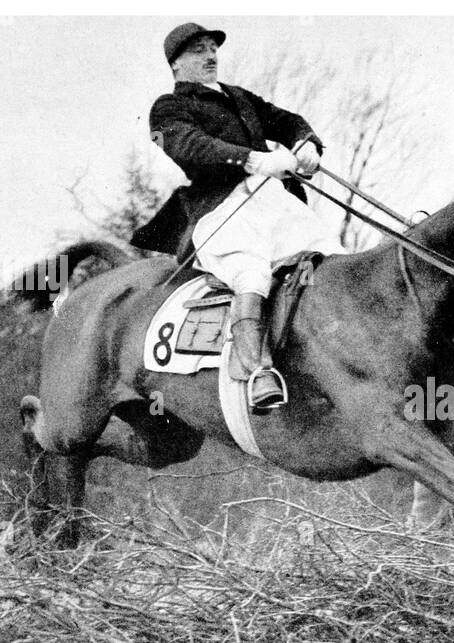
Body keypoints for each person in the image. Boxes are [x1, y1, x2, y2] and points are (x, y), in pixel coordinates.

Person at [133, 23, 344, 411]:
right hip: (224, 211)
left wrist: (305, 143)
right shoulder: (168, 108)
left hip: (275, 202)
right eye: (198, 50)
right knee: (253, 273)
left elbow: (285, 120)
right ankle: (257, 371)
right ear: (177, 65)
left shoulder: (237, 96)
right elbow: (189, 144)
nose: (211, 56)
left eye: (212, 48)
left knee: (330, 255)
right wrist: (254, 159)